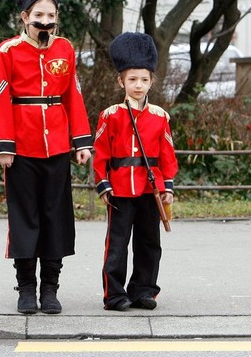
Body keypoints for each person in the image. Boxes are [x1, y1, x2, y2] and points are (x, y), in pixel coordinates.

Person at [0, 0, 93, 315]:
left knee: (56, 217)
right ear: (24, 17)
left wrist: (81, 141)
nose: (45, 22)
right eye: (38, 16)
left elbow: (73, 96)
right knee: (25, 218)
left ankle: (51, 288)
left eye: (51, 16)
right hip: (21, 149)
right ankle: (26, 288)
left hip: (59, 147)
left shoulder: (65, 49)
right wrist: (3, 145)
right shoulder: (7, 51)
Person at [93, 32, 178, 311]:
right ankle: (114, 294)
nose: (138, 85)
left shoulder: (160, 116)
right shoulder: (110, 115)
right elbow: (101, 154)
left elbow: (167, 154)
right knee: (117, 245)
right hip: (119, 189)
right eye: (132, 79)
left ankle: (144, 290)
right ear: (121, 81)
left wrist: (168, 187)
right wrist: (103, 184)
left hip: (149, 189)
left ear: (152, 81)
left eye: (144, 79)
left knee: (149, 243)